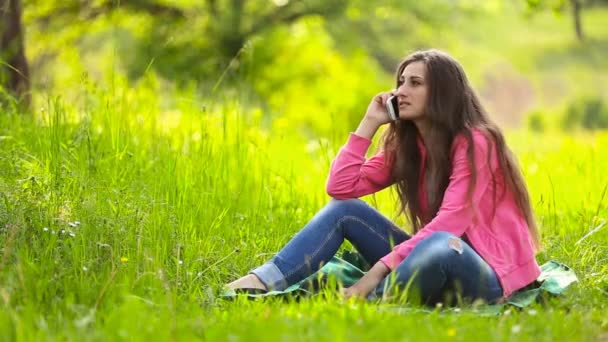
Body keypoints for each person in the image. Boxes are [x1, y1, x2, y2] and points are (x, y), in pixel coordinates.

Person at [226, 49, 541, 305]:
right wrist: (369, 122)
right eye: (401, 82)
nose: (400, 91)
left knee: (444, 244)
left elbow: (450, 225)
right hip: (428, 257)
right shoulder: (408, 147)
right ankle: (263, 280)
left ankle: (370, 297)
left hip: (483, 274)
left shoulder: (477, 142)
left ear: (443, 92)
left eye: (415, 84)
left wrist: (374, 272)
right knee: (345, 211)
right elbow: (340, 188)